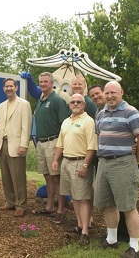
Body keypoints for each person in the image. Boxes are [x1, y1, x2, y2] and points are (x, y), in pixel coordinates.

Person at [95, 81, 139, 258]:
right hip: (104, 163)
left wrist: (135, 159)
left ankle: (134, 248)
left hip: (123, 164)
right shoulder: (101, 114)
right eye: (107, 92)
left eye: (113, 92)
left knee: (128, 206)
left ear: (121, 93)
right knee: (108, 203)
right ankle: (112, 239)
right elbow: (100, 136)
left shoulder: (131, 113)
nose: (109, 96)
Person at [21, 72, 70, 224]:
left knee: (56, 177)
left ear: (51, 83)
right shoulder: (41, 99)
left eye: (45, 82)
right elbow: (33, 89)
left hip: (53, 142)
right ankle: (49, 207)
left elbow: (64, 125)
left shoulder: (57, 100)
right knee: (47, 176)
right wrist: (29, 80)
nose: (42, 84)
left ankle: (61, 209)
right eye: (40, 82)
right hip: (41, 143)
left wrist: (60, 148)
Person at [52, 93, 97, 245]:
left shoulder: (88, 121)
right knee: (74, 197)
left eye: (79, 101)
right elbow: (60, 143)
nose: (76, 103)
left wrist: (85, 164)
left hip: (80, 162)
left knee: (83, 198)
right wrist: (56, 159)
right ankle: (79, 225)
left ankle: (85, 231)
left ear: (84, 105)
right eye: (73, 102)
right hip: (66, 161)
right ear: (69, 105)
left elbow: (92, 147)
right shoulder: (66, 121)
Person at [88, 84, 130, 243]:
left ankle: (124, 234)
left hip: (120, 160)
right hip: (103, 158)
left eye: (98, 93)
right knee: (108, 200)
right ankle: (112, 234)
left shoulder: (121, 110)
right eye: (93, 95)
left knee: (122, 198)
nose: (96, 97)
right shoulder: (99, 112)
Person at [0, 78, 32, 217]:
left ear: (16, 88)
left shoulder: (24, 104)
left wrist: (24, 145)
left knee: (18, 176)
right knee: (6, 176)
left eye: (11, 86)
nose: (9, 88)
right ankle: (10, 201)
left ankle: (21, 205)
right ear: (3, 88)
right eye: (6, 86)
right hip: (2, 144)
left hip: (17, 145)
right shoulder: (1, 106)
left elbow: (26, 126)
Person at [21, 72, 97, 119]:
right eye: (74, 84)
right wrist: (29, 81)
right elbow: (36, 91)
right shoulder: (69, 101)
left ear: (84, 86)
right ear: (71, 85)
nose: (77, 86)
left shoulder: (89, 103)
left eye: (80, 84)